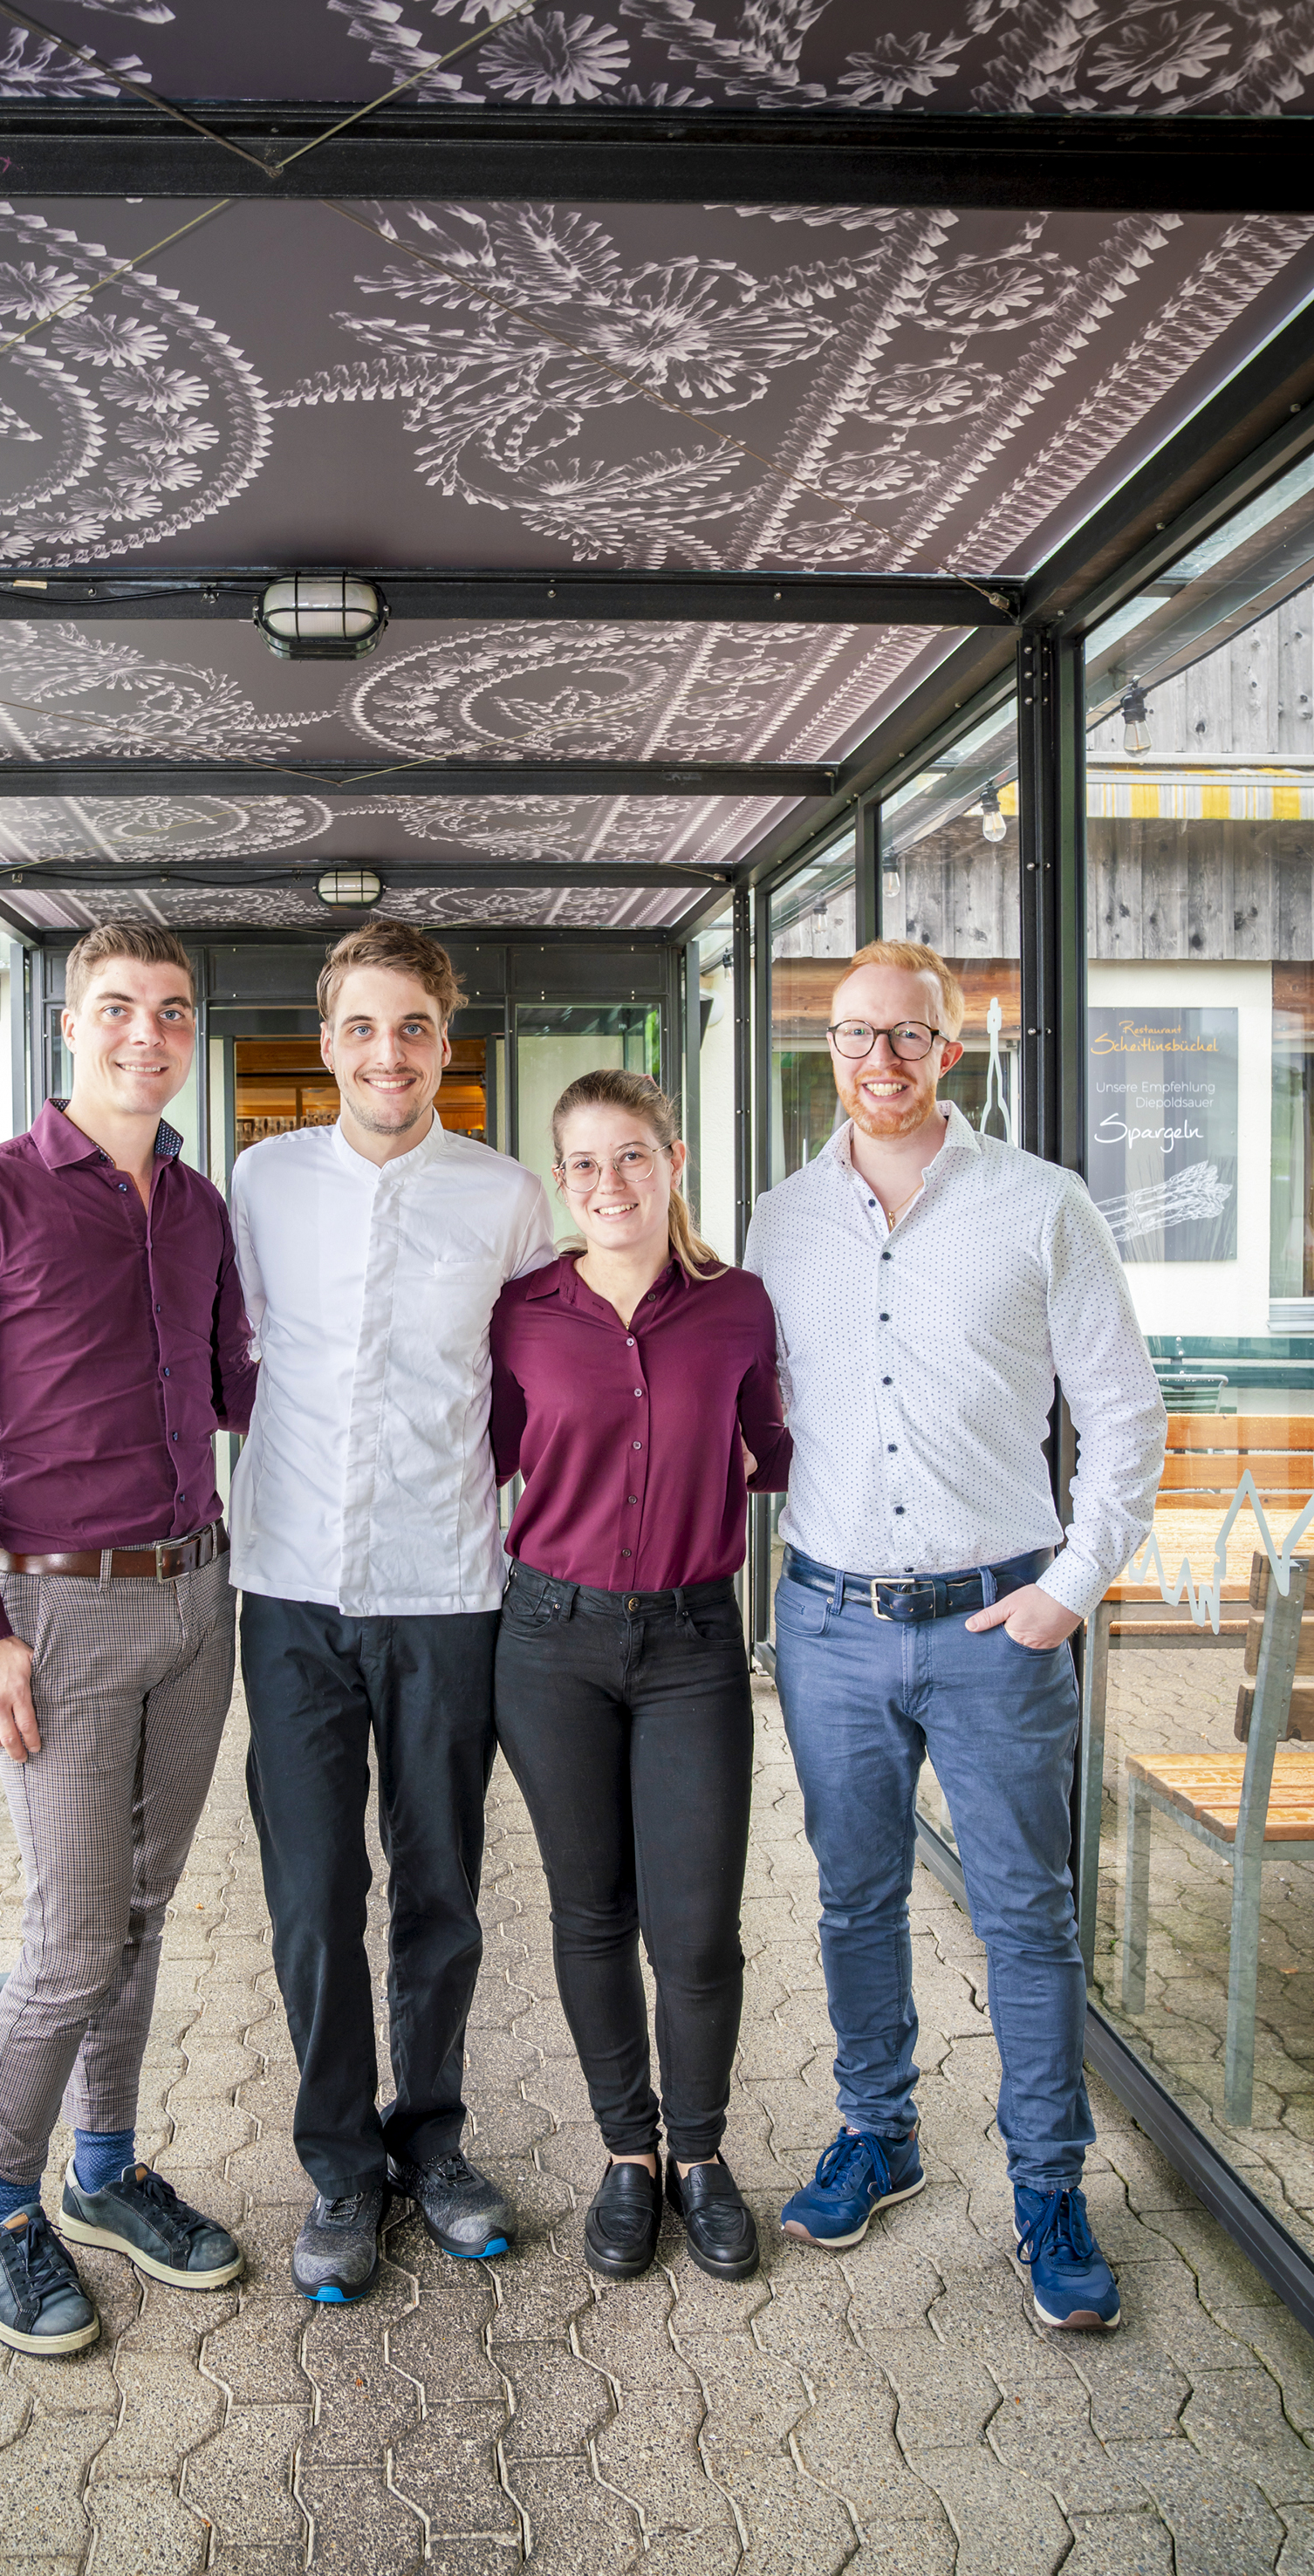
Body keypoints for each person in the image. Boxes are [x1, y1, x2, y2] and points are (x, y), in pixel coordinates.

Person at [744, 937, 1166, 2333]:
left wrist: (1069, 1585)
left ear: (952, 1048)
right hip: (830, 1621)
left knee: (1025, 1919)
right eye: (857, 1036)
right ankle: (881, 2132)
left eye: (907, 1037)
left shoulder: (1040, 1207)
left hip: (1001, 1622)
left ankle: (1048, 2188)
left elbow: (1124, 1418)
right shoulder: (775, 1219)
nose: (881, 1060)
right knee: (853, 1897)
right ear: (830, 1051)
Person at [0, 923, 255, 2355]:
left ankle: (104, 2169)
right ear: (65, 1025)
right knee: (73, 1929)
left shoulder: (201, 1202)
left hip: (194, 1593)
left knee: (145, 1912)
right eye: (117, 1010)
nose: (145, 1035)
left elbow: (239, 1387)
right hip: (55, 1608)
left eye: (170, 1011)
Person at [230, 920, 556, 2301]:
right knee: (313, 1895)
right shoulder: (261, 1182)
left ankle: (429, 2141)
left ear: (445, 1040)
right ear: (328, 1040)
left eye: (412, 1026)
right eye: (362, 1027)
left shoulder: (505, 1196)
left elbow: (535, 1390)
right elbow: (234, 1360)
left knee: (438, 1890)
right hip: (291, 1585)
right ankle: (337, 2168)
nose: (388, 1052)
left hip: (444, 1588)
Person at [490, 1070, 790, 2286]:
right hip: (547, 1641)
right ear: (559, 1179)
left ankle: (702, 2157)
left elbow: (777, 1447)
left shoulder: (738, 1305)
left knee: (697, 1925)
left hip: (691, 1646)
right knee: (589, 1911)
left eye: (631, 1157)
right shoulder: (519, 1310)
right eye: (582, 1164)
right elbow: (477, 1455)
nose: (607, 1183)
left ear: (672, 1159)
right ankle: (626, 2153)